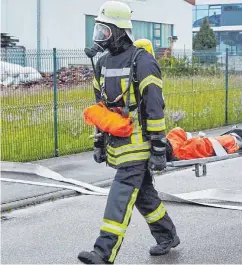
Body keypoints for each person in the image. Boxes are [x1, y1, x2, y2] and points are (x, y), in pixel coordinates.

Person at [78, 1, 179, 264]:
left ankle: (103, 252)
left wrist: (158, 147)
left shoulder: (143, 61)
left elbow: (154, 106)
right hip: (117, 144)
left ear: (121, 31)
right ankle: (167, 235)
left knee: (121, 194)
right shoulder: (100, 64)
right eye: (98, 30)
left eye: (105, 30)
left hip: (139, 146)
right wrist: (100, 142)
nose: (100, 36)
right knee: (144, 195)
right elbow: (102, 109)